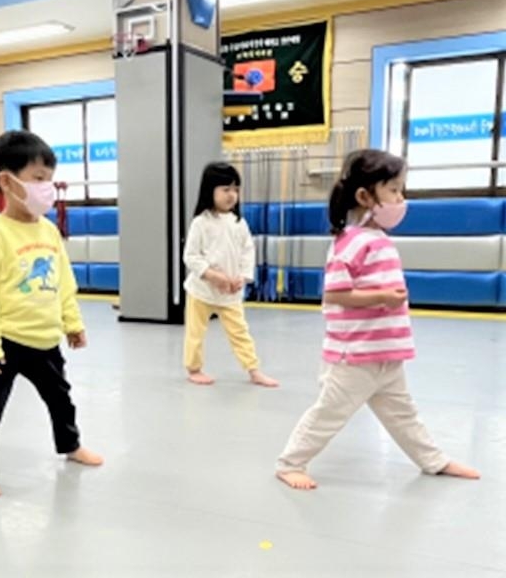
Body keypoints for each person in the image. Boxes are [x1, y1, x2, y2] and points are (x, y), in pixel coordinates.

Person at [276, 149, 480, 490]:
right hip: (354, 357)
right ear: (365, 196)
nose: (401, 199)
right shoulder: (350, 243)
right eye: (394, 190)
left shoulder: (378, 239)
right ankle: (290, 462)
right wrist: (382, 297)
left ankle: (433, 460)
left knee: (403, 415)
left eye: (401, 190)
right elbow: (336, 295)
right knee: (329, 413)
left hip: (385, 355)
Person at [0, 130, 103, 499]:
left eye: (49, 179)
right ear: (7, 182)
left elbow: (63, 282)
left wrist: (72, 323)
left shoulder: (50, 231)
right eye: (38, 179)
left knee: (62, 400)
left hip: (45, 339)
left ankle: (70, 446)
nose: (47, 187)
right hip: (5, 344)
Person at [182, 162, 278, 387]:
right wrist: (214, 276)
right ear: (210, 190)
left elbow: (247, 251)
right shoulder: (201, 223)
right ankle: (194, 368)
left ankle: (253, 370)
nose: (232, 195)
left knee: (240, 332)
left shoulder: (239, 223)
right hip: (201, 291)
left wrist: (242, 278)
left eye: (235, 189)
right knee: (195, 333)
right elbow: (191, 256)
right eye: (225, 189)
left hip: (230, 293)